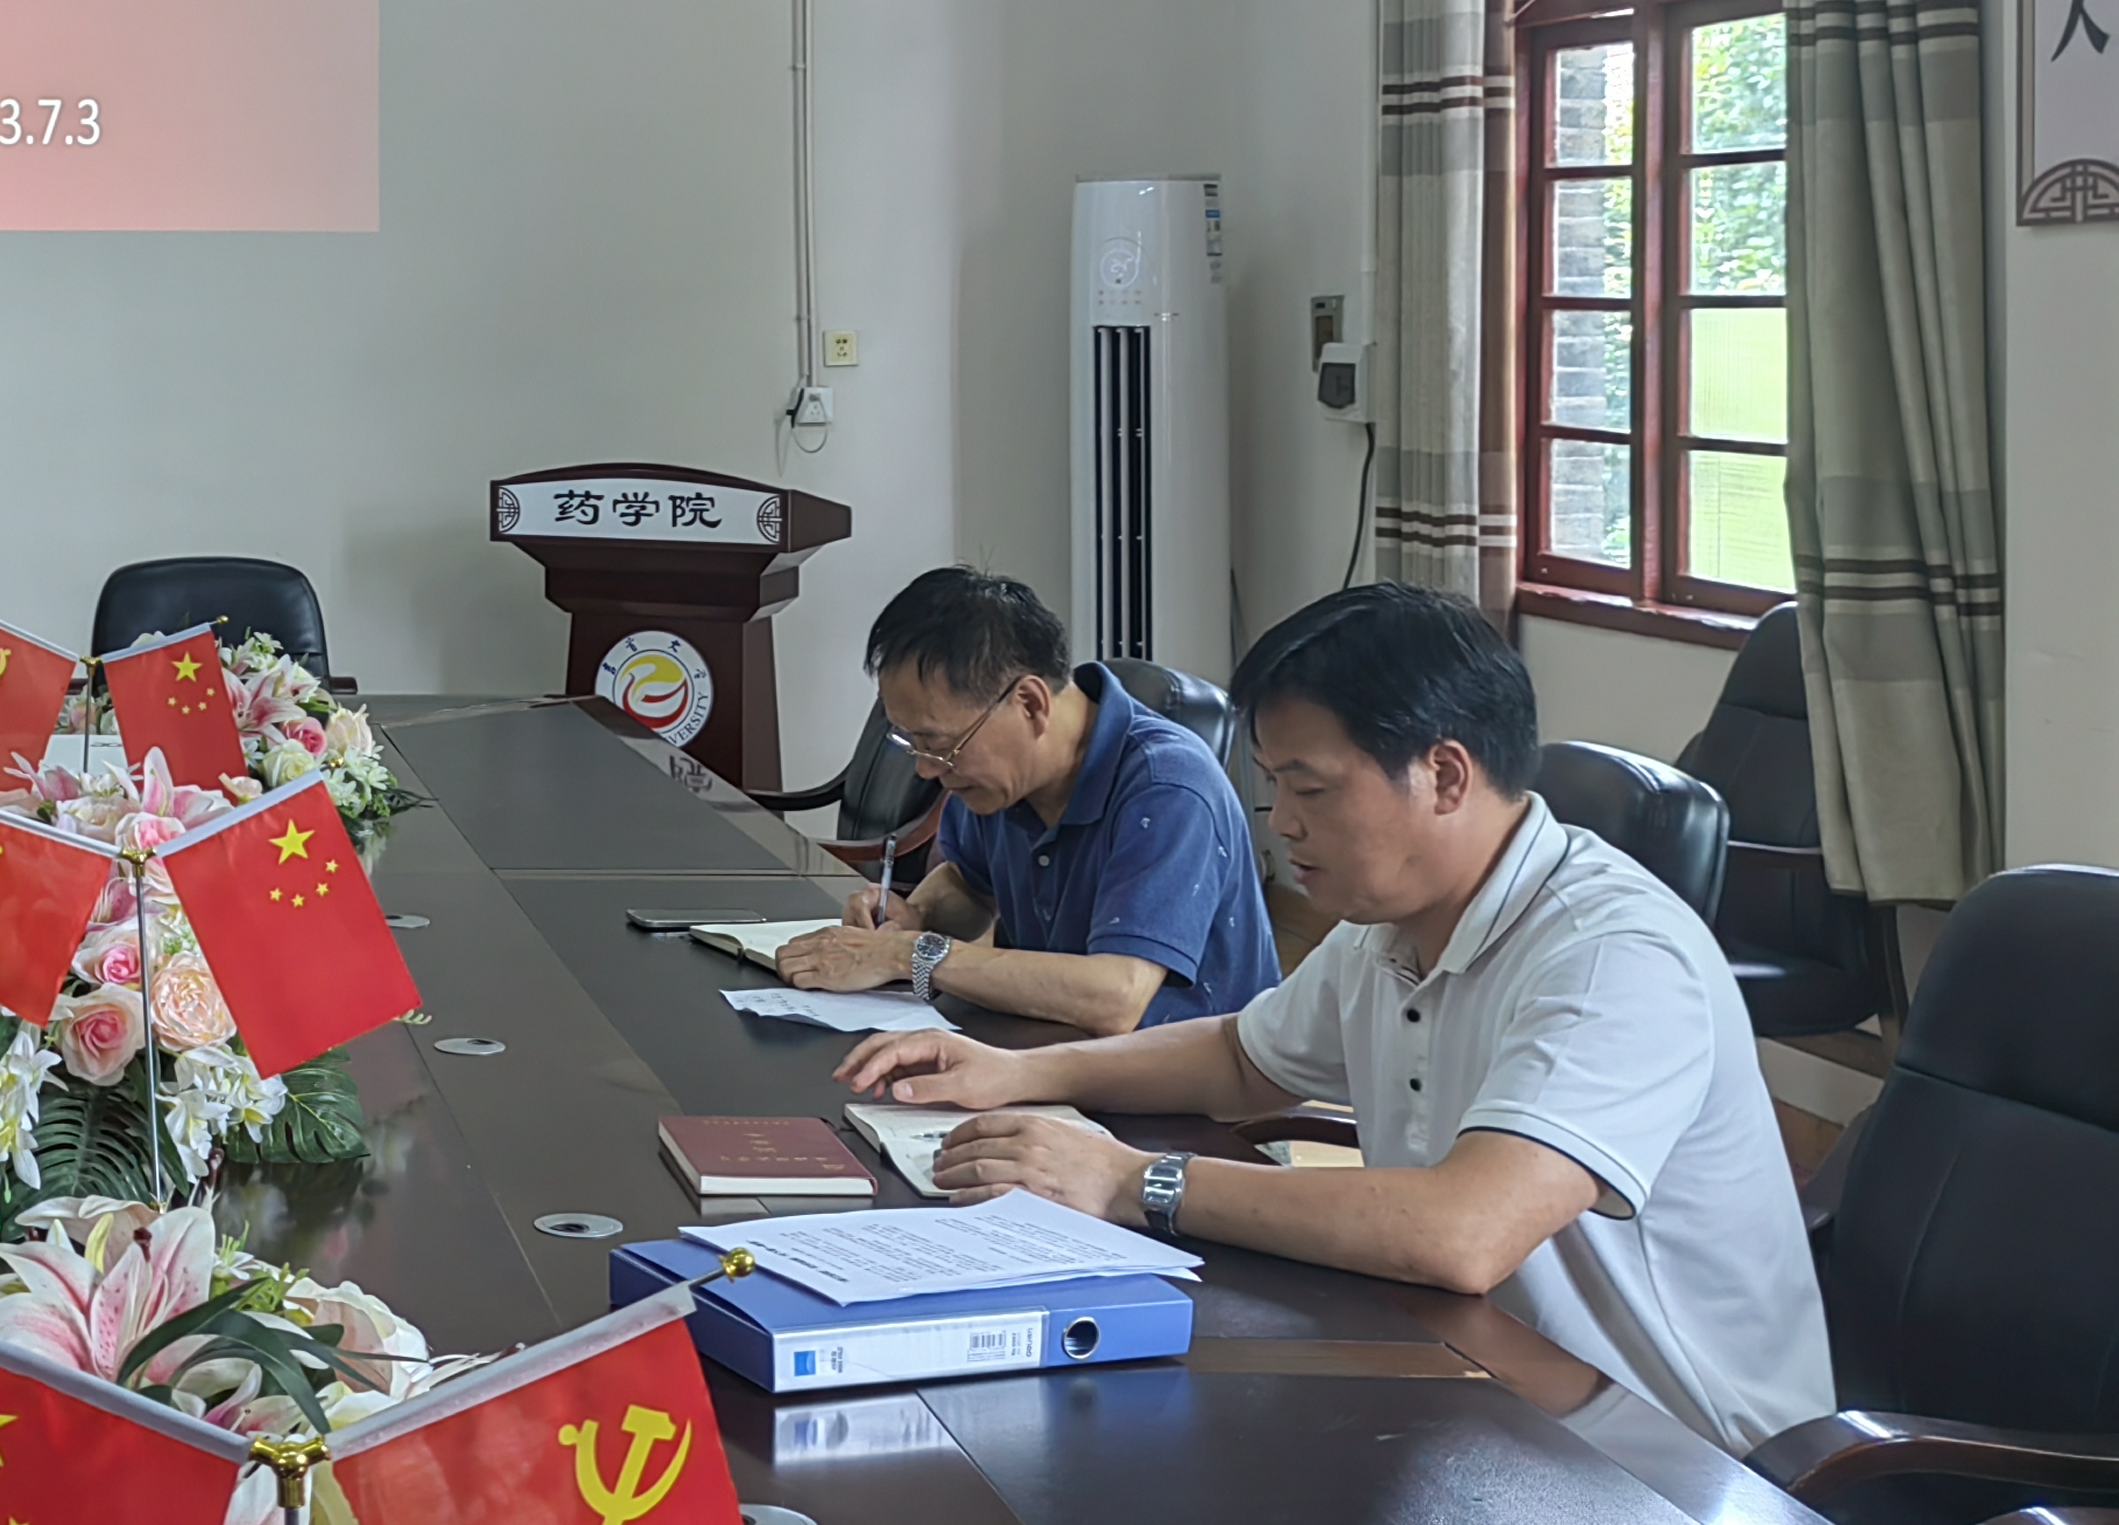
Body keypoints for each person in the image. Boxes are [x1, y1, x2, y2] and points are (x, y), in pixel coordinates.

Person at [836, 583, 1833, 1454]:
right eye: (1274, 786)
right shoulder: (1390, 924)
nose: (1283, 825)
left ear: (1444, 775)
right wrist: (1017, 1072)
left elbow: (1462, 1232)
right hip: (1475, 1380)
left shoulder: (1612, 955)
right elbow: (1241, 1057)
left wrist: (1131, 1180)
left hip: (1676, 1463)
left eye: (1309, 788)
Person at [774, 567, 1275, 1030]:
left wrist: (908, 954)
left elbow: (1116, 998)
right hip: (1051, 1048)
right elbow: (971, 885)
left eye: (939, 744)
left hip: (1183, 1086)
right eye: (913, 744)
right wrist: (913, 915)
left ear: (1030, 704)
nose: (927, 769)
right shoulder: (999, 776)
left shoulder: (1167, 787)